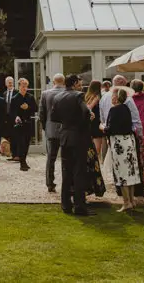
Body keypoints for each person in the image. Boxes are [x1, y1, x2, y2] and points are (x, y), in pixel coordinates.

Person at [51, 74, 92, 216]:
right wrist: (84, 124)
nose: (81, 85)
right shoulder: (78, 96)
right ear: (74, 83)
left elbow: (53, 117)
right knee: (79, 172)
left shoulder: (57, 97)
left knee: (66, 171)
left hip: (64, 136)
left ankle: (66, 205)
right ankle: (80, 206)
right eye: (80, 83)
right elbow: (86, 112)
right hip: (78, 136)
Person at [105, 88, 141, 212]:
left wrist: (101, 127)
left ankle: (126, 202)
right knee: (131, 172)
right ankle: (131, 200)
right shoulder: (126, 108)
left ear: (116, 98)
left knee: (122, 172)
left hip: (119, 143)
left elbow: (110, 129)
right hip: (129, 141)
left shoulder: (114, 110)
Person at [39, 73, 66, 192]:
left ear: (53, 82)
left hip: (51, 130)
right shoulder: (68, 93)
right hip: (66, 130)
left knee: (51, 158)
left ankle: (50, 183)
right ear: (64, 82)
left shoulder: (45, 94)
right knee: (67, 158)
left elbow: (41, 114)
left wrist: (46, 127)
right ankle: (68, 183)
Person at [10, 78, 38, 171]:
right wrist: (16, 117)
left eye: (26, 86)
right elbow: (12, 112)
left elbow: (35, 108)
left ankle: (24, 160)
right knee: (21, 143)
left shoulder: (30, 97)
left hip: (28, 123)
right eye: (23, 86)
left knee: (26, 143)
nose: (25, 88)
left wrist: (28, 107)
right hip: (19, 123)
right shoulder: (14, 98)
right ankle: (22, 163)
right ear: (19, 86)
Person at [0, 76, 16, 157]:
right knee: (8, 135)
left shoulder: (17, 92)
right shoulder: (4, 93)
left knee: (15, 135)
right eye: (8, 82)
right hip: (6, 118)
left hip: (15, 117)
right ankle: (9, 152)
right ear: (6, 84)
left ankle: (15, 153)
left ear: (13, 82)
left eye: (11, 82)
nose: (10, 83)